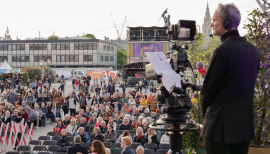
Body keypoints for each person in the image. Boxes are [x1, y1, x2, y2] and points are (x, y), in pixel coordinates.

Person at [201, 3, 259, 154]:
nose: (211, 24)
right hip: (243, 130)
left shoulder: (223, 50)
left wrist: (206, 118)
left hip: (220, 130)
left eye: (215, 20)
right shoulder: (253, 51)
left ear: (227, 22)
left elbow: (207, 92)